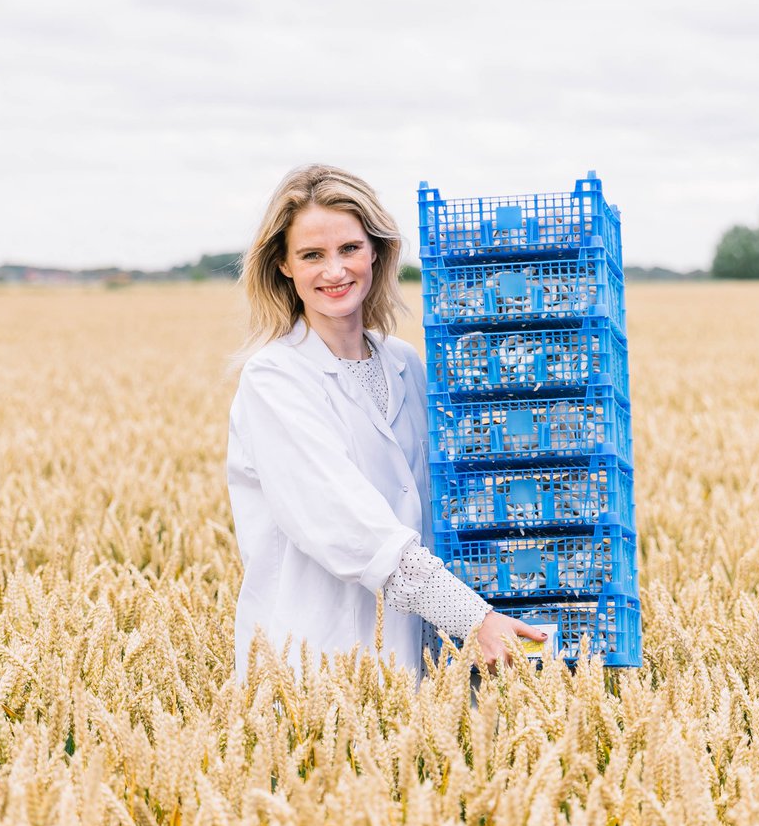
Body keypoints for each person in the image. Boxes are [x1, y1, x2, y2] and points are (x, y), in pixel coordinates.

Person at [227, 164, 547, 677]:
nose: (335, 271)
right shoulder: (276, 379)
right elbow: (346, 523)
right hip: (313, 668)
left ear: (376, 250)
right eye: (312, 255)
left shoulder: (406, 364)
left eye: (349, 249)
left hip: (412, 669)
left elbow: (441, 498)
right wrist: (473, 616)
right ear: (284, 266)